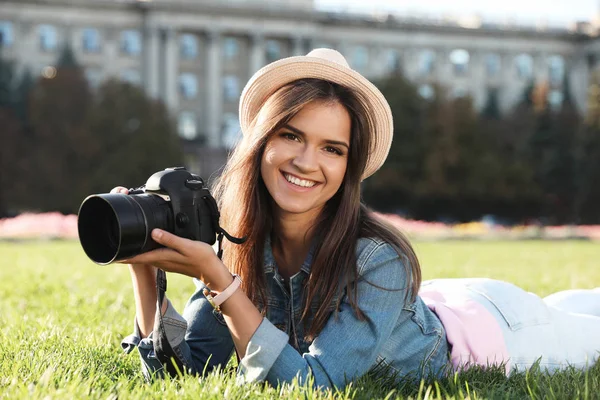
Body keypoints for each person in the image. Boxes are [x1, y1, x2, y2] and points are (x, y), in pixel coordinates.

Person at [114, 48, 600, 390]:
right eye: (291, 135)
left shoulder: (377, 259)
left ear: (348, 167)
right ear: (261, 143)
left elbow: (312, 386)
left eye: (332, 148)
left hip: (499, 331)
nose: (306, 162)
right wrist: (144, 269)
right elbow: (186, 371)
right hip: (434, 306)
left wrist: (220, 283)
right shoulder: (240, 247)